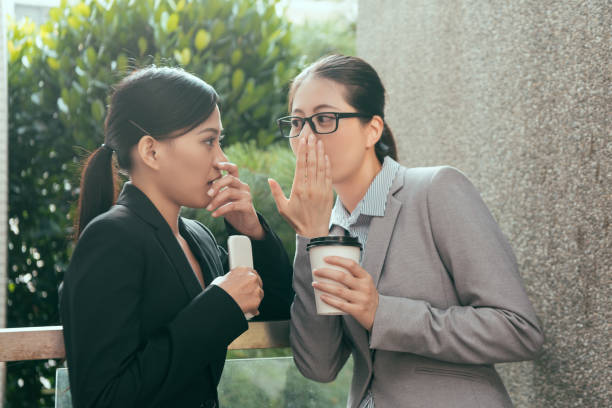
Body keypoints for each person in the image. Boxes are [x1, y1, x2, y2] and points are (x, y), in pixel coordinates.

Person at [269, 54, 544, 408]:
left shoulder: (436, 190)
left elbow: (519, 330)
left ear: (372, 129)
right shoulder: (329, 230)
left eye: (324, 119)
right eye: (296, 123)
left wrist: (381, 313)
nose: (305, 137)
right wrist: (310, 236)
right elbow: (319, 366)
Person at [59, 66, 294, 408]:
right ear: (151, 151)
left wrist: (249, 228)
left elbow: (278, 309)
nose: (223, 161)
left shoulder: (196, 237)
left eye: (220, 141)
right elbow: (102, 398)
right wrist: (218, 306)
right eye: (208, 141)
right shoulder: (111, 239)